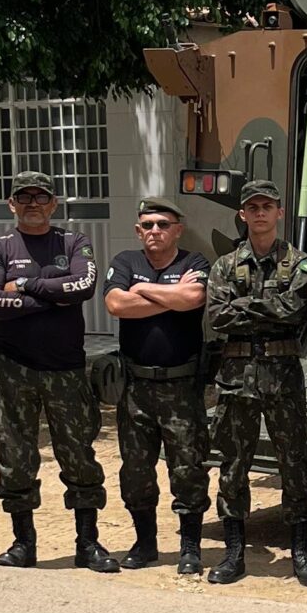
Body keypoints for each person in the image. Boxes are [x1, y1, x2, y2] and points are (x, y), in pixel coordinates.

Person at [0, 170, 118, 573]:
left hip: (67, 370)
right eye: (24, 198)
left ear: (54, 204)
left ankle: (88, 543)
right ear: (12, 205)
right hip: (13, 370)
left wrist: (21, 285)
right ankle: (24, 543)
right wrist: (54, 291)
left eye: (41, 197)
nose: (33, 204)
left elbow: (85, 287)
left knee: (78, 457)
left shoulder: (73, 242)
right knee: (16, 458)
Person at [203, 183, 307, 587]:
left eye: (268, 207)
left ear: (280, 213)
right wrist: (269, 309)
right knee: (234, 466)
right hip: (236, 379)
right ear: (242, 215)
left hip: (283, 376)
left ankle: (300, 551)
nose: (261, 213)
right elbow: (218, 316)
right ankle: (234, 553)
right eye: (253, 208)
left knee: (294, 465)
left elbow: (297, 310)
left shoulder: (301, 263)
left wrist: (245, 307)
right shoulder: (225, 266)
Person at [105, 192, 212, 573]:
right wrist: (171, 297)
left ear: (178, 230)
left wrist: (142, 290)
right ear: (138, 231)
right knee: (136, 470)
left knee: (188, 468)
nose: (155, 231)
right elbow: (116, 305)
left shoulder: (194, 261)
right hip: (135, 387)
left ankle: (189, 547)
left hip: (181, 386)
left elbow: (195, 296)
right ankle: (145, 543)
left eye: (163, 225)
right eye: (147, 225)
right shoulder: (125, 262)